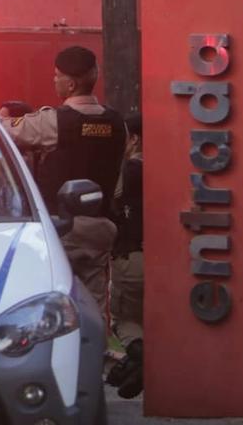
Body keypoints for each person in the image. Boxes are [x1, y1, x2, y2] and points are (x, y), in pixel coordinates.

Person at [0, 46, 126, 314]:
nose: (54, 81)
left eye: (57, 76)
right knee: (94, 304)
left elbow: (5, 131)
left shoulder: (55, 121)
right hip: (102, 228)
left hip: (61, 229)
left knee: (51, 304)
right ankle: (94, 352)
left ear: (70, 83)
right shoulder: (117, 123)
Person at [107, 112, 144, 398]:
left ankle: (141, 358)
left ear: (133, 139)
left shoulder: (130, 168)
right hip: (168, 260)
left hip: (131, 257)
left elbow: (114, 202)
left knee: (122, 319)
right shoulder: (176, 166)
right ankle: (136, 366)